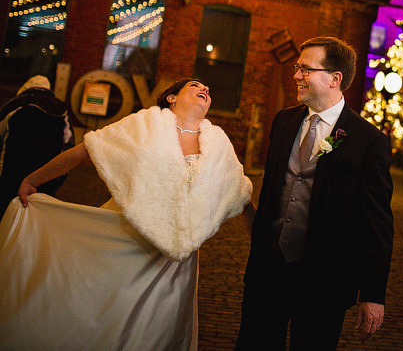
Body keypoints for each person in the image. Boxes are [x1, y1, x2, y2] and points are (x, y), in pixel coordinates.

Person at [0, 78, 253, 350]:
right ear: (172, 97)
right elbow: (85, 150)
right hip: (124, 240)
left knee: (157, 331)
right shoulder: (144, 125)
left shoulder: (218, 144)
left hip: (174, 261)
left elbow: (240, 194)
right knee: (107, 318)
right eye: (194, 85)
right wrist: (33, 180)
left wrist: (262, 241)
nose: (205, 89)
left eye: (208, 88)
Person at [236, 37, 394, 350]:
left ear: (335, 79)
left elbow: (376, 221)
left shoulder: (368, 140)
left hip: (325, 281)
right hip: (268, 272)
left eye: (306, 69)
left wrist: (373, 294)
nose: (297, 76)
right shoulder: (284, 121)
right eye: (298, 68)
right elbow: (273, 192)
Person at [0, 75, 73, 214]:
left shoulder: (14, 105)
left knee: (6, 207)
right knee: (40, 211)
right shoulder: (60, 109)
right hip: (46, 175)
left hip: (11, 171)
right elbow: (68, 143)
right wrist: (58, 176)